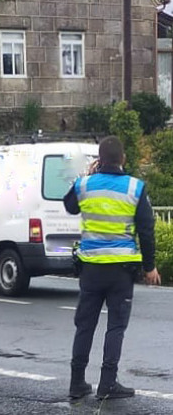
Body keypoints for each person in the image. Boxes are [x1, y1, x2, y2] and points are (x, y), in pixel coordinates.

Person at [63, 136, 161, 400]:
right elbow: (146, 230)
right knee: (115, 327)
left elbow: (69, 206)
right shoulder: (134, 188)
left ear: (99, 159)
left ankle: (77, 383)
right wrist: (149, 267)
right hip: (121, 271)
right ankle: (107, 384)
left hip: (90, 270)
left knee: (85, 325)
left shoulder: (84, 185)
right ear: (123, 159)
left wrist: (87, 174)